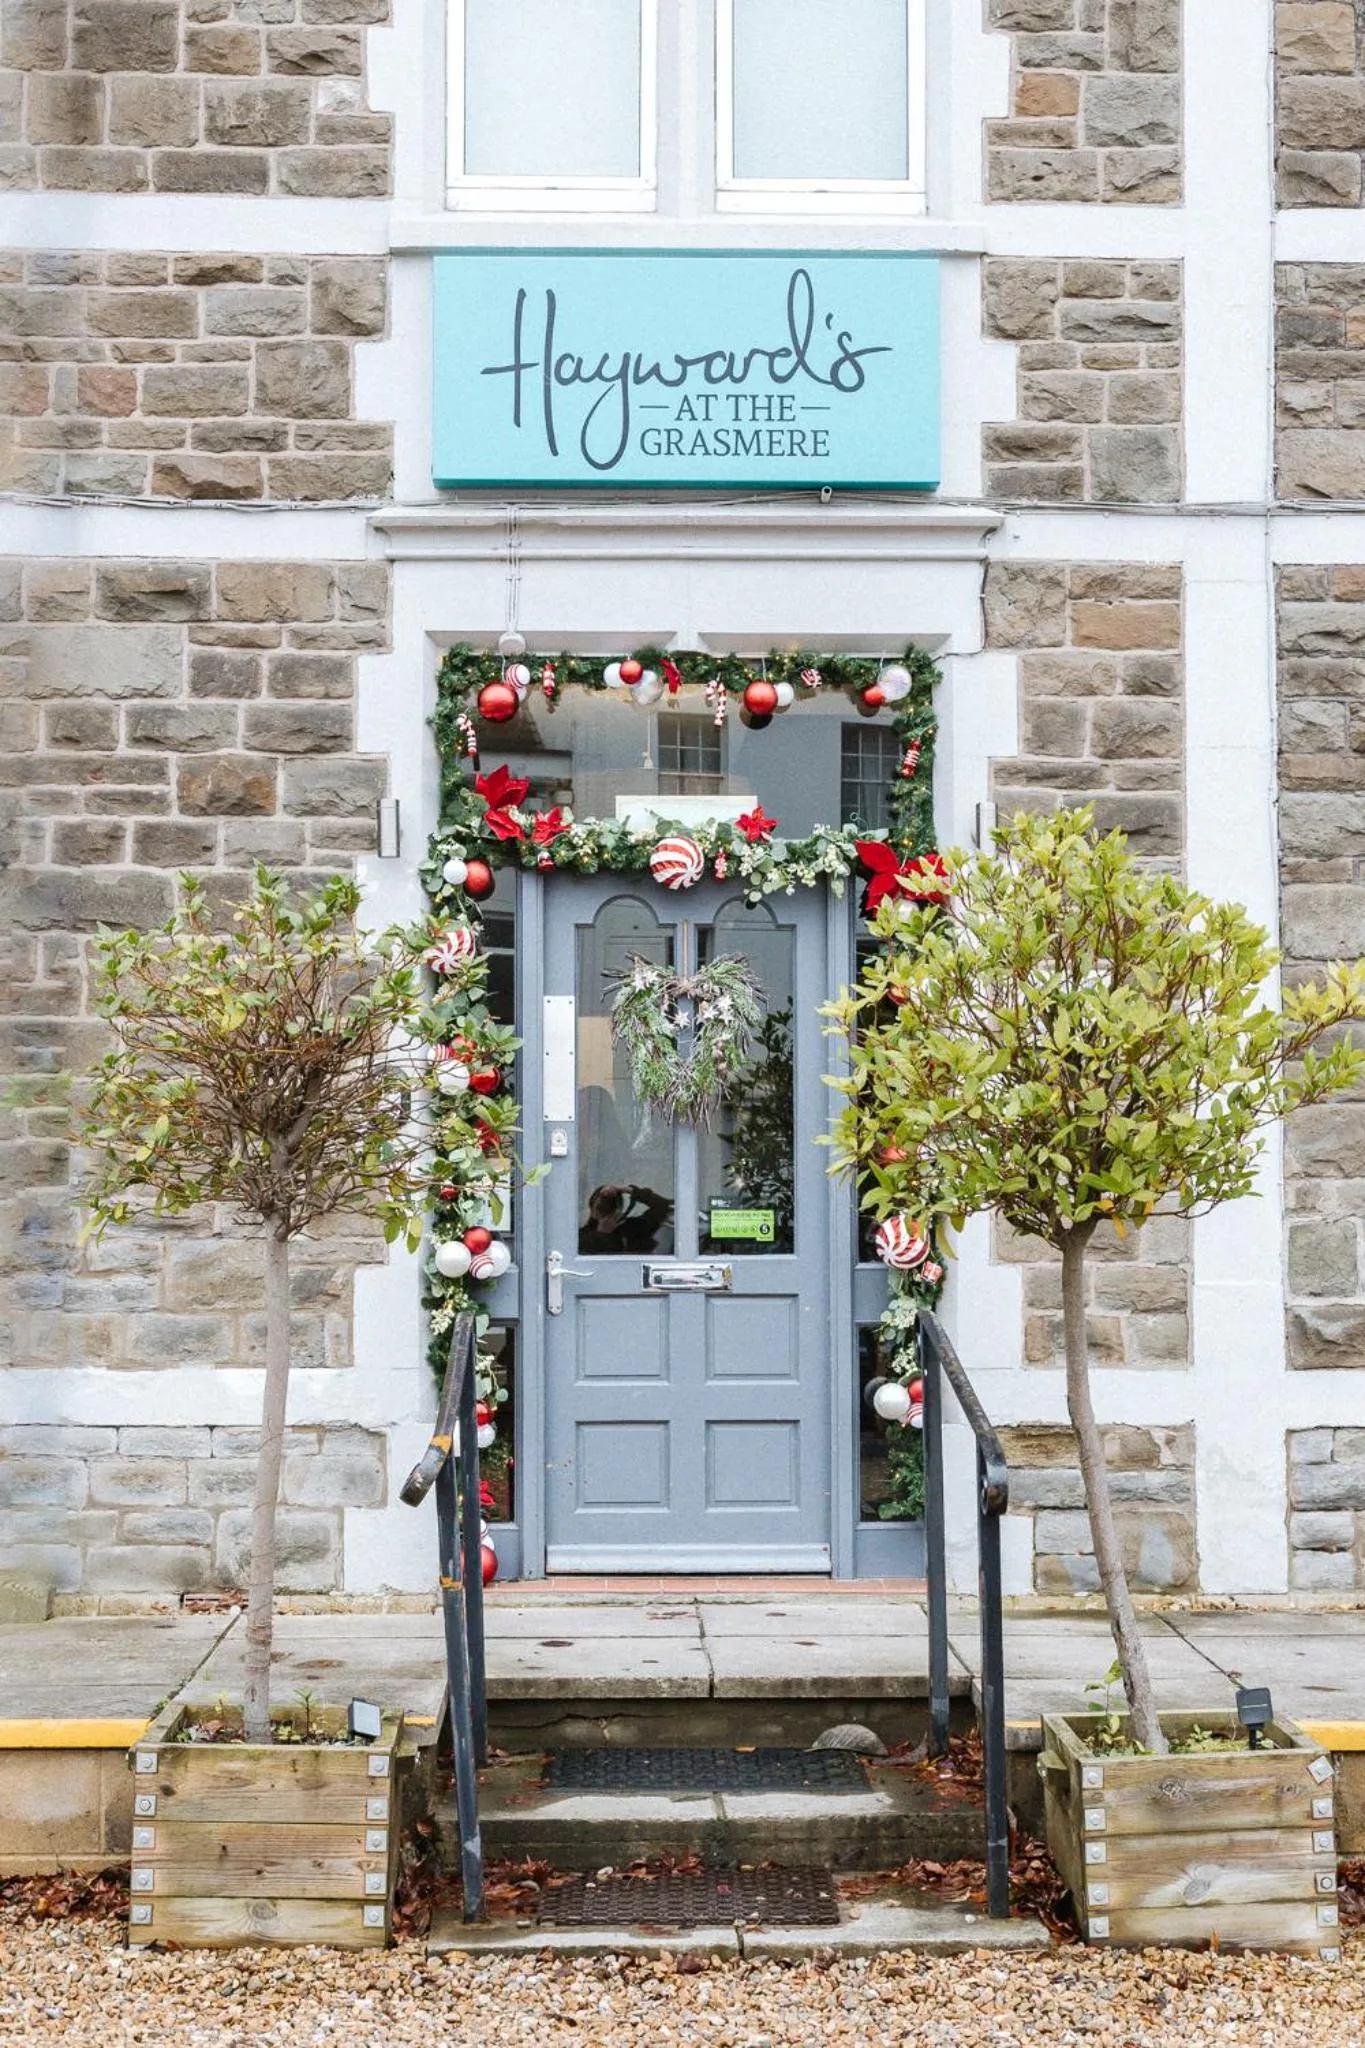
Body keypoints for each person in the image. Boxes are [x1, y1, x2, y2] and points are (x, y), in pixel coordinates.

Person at [580, 1183, 673, 1255]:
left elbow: (663, 1207)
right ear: (591, 1207)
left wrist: (631, 1191)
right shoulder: (581, 1237)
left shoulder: (633, 1228)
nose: (604, 1210)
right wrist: (601, 1234)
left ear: (618, 1208)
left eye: (610, 1205)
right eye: (600, 1207)